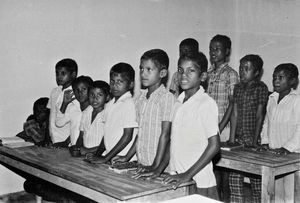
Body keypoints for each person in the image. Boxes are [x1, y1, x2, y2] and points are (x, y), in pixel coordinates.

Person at [163, 52, 220, 200]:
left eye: (191, 71)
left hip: (199, 180)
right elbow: (173, 143)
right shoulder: (178, 102)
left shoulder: (206, 103)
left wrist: (188, 174)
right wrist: (159, 169)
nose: (183, 75)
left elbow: (214, 145)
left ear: (203, 76)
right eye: (180, 70)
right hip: (178, 177)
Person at [114, 49, 177, 178]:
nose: (143, 74)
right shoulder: (141, 99)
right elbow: (140, 134)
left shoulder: (166, 98)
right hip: (143, 164)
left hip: (161, 168)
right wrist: (127, 157)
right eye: (141, 69)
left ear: (162, 73)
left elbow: (166, 135)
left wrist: (155, 166)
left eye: (149, 69)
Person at [228, 55, 269, 203]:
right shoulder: (237, 88)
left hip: (254, 141)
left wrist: (254, 141)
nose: (242, 71)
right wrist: (232, 139)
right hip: (239, 140)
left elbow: (260, 116)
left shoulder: (261, 88)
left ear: (256, 72)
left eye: (247, 69)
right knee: (234, 179)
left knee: (257, 183)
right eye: (241, 68)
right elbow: (234, 113)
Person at [260, 63, 300, 203]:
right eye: (274, 77)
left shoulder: (297, 101)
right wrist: (265, 141)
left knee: (291, 194)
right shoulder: (272, 99)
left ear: (293, 81)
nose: (276, 80)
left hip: (293, 155)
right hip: (274, 153)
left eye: (281, 77)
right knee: (276, 194)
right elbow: (267, 122)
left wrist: (287, 148)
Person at [207, 34, 239, 202]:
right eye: (211, 49)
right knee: (212, 171)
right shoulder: (208, 73)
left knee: (224, 172)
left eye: (217, 49)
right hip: (209, 129)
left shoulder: (231, 74)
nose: (213, 52)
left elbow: (233, 104)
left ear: (226, 52)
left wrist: (220, 126)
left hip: (223, 129)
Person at [86, 62, 138, 164]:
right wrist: (98, 155)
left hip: (124, 160)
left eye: (120, 82)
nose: (114, 85)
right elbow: (106, 134)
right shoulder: (110, 104)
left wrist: (105, 158)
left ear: (131, 84)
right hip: (111, 158)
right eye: (112, 81)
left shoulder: (129, 103)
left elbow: (127, 137)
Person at [47, 58, 78, 147]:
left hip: (67, 142)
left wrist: (66, 142)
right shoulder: (55, 91)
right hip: (53, 139)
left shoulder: (76, 94)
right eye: (57, 73)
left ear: (73, 74)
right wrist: (47, 137)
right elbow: (49, 114)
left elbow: (78, 123)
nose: (59, 77)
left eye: (63, 73)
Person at [75, 80, 110, 155]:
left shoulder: (109, 114)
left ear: (107, 97)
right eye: (92, 95)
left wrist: (88, 151)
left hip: (101, 156)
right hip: (85, 156)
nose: (95, 98)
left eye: (99, 95)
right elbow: (81, 136)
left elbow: (108, 142)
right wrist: (77, 148)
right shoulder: (86, 112)